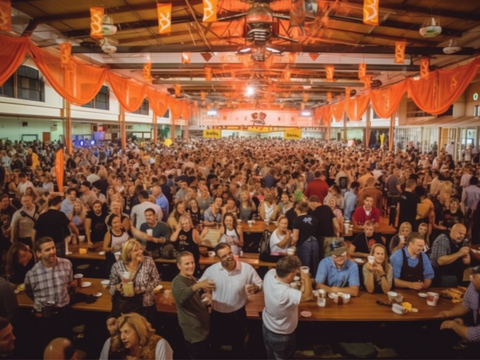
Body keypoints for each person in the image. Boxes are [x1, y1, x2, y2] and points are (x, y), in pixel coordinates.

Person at [199, 243, 262, 358]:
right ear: (218, 258)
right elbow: (200, 284)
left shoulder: (246, 269)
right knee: (215, 345)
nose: (229, 257)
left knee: (238, 346)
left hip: (237, 315)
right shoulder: (212, 270)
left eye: (230, 253)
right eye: (224, 256)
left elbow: (259, 283)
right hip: (217, 315)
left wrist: (256, 288)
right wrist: (206, 292)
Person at [25, 236, 75, 351]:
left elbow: (69, 284)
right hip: (45, 319)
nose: (52, 252)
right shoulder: (32, 274)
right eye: (47, 250)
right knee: (49, 350)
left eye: (53, 248)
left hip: (64, 315)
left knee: (67, 349)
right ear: (38, 254)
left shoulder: (67, 264)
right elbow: (29, 292)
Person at [262, 255, 313, 359]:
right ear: (290, 275)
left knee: (271, 355)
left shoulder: (269, 274)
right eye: (295, 272)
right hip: (281, 335)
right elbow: (308, 296)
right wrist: (305, 275)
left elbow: (285, 285)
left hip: (267, 327)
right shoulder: (286, 293)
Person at [172, 251, 213, 359]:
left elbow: (197, 298)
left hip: (203, 329)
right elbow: (182, 296)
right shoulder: (177, 281)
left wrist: (207, 297)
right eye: (187, 263)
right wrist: (199, 284)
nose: (191, 266)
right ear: (179, 266)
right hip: (194, 333)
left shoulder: (193, 279)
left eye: (192, 262)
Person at [109, 239, 160, 323]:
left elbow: (156, 280)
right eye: (136, 250)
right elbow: (111, 287)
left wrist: (139, 289)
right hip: (125, 307)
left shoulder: (148, 261)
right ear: (128, 253)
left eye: (140, 248)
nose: (140, 252)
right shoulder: (117, 266)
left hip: (145, 305)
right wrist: (117, 287)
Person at [437, 265, 480, 346]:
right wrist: (448, 313)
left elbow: (476, 335)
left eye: (475, 276)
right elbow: (467, 304)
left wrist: (453, 325)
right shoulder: (475, 281)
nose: (473, 278)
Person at [100, 313, 173, 360]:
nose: (122, 337)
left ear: (138, 332)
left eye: (127, 332)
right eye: (120, 332)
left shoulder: (158, 345)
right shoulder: (111, 344)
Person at [291, 202, 320, 276]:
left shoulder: (297, 220)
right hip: (315, 242)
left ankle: (305, 284)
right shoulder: (314, 218)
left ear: (299, 210)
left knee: (305, 268)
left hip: (304, 243)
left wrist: (290, 245)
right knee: (315, 267)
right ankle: (314, 284)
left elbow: (295, 238)